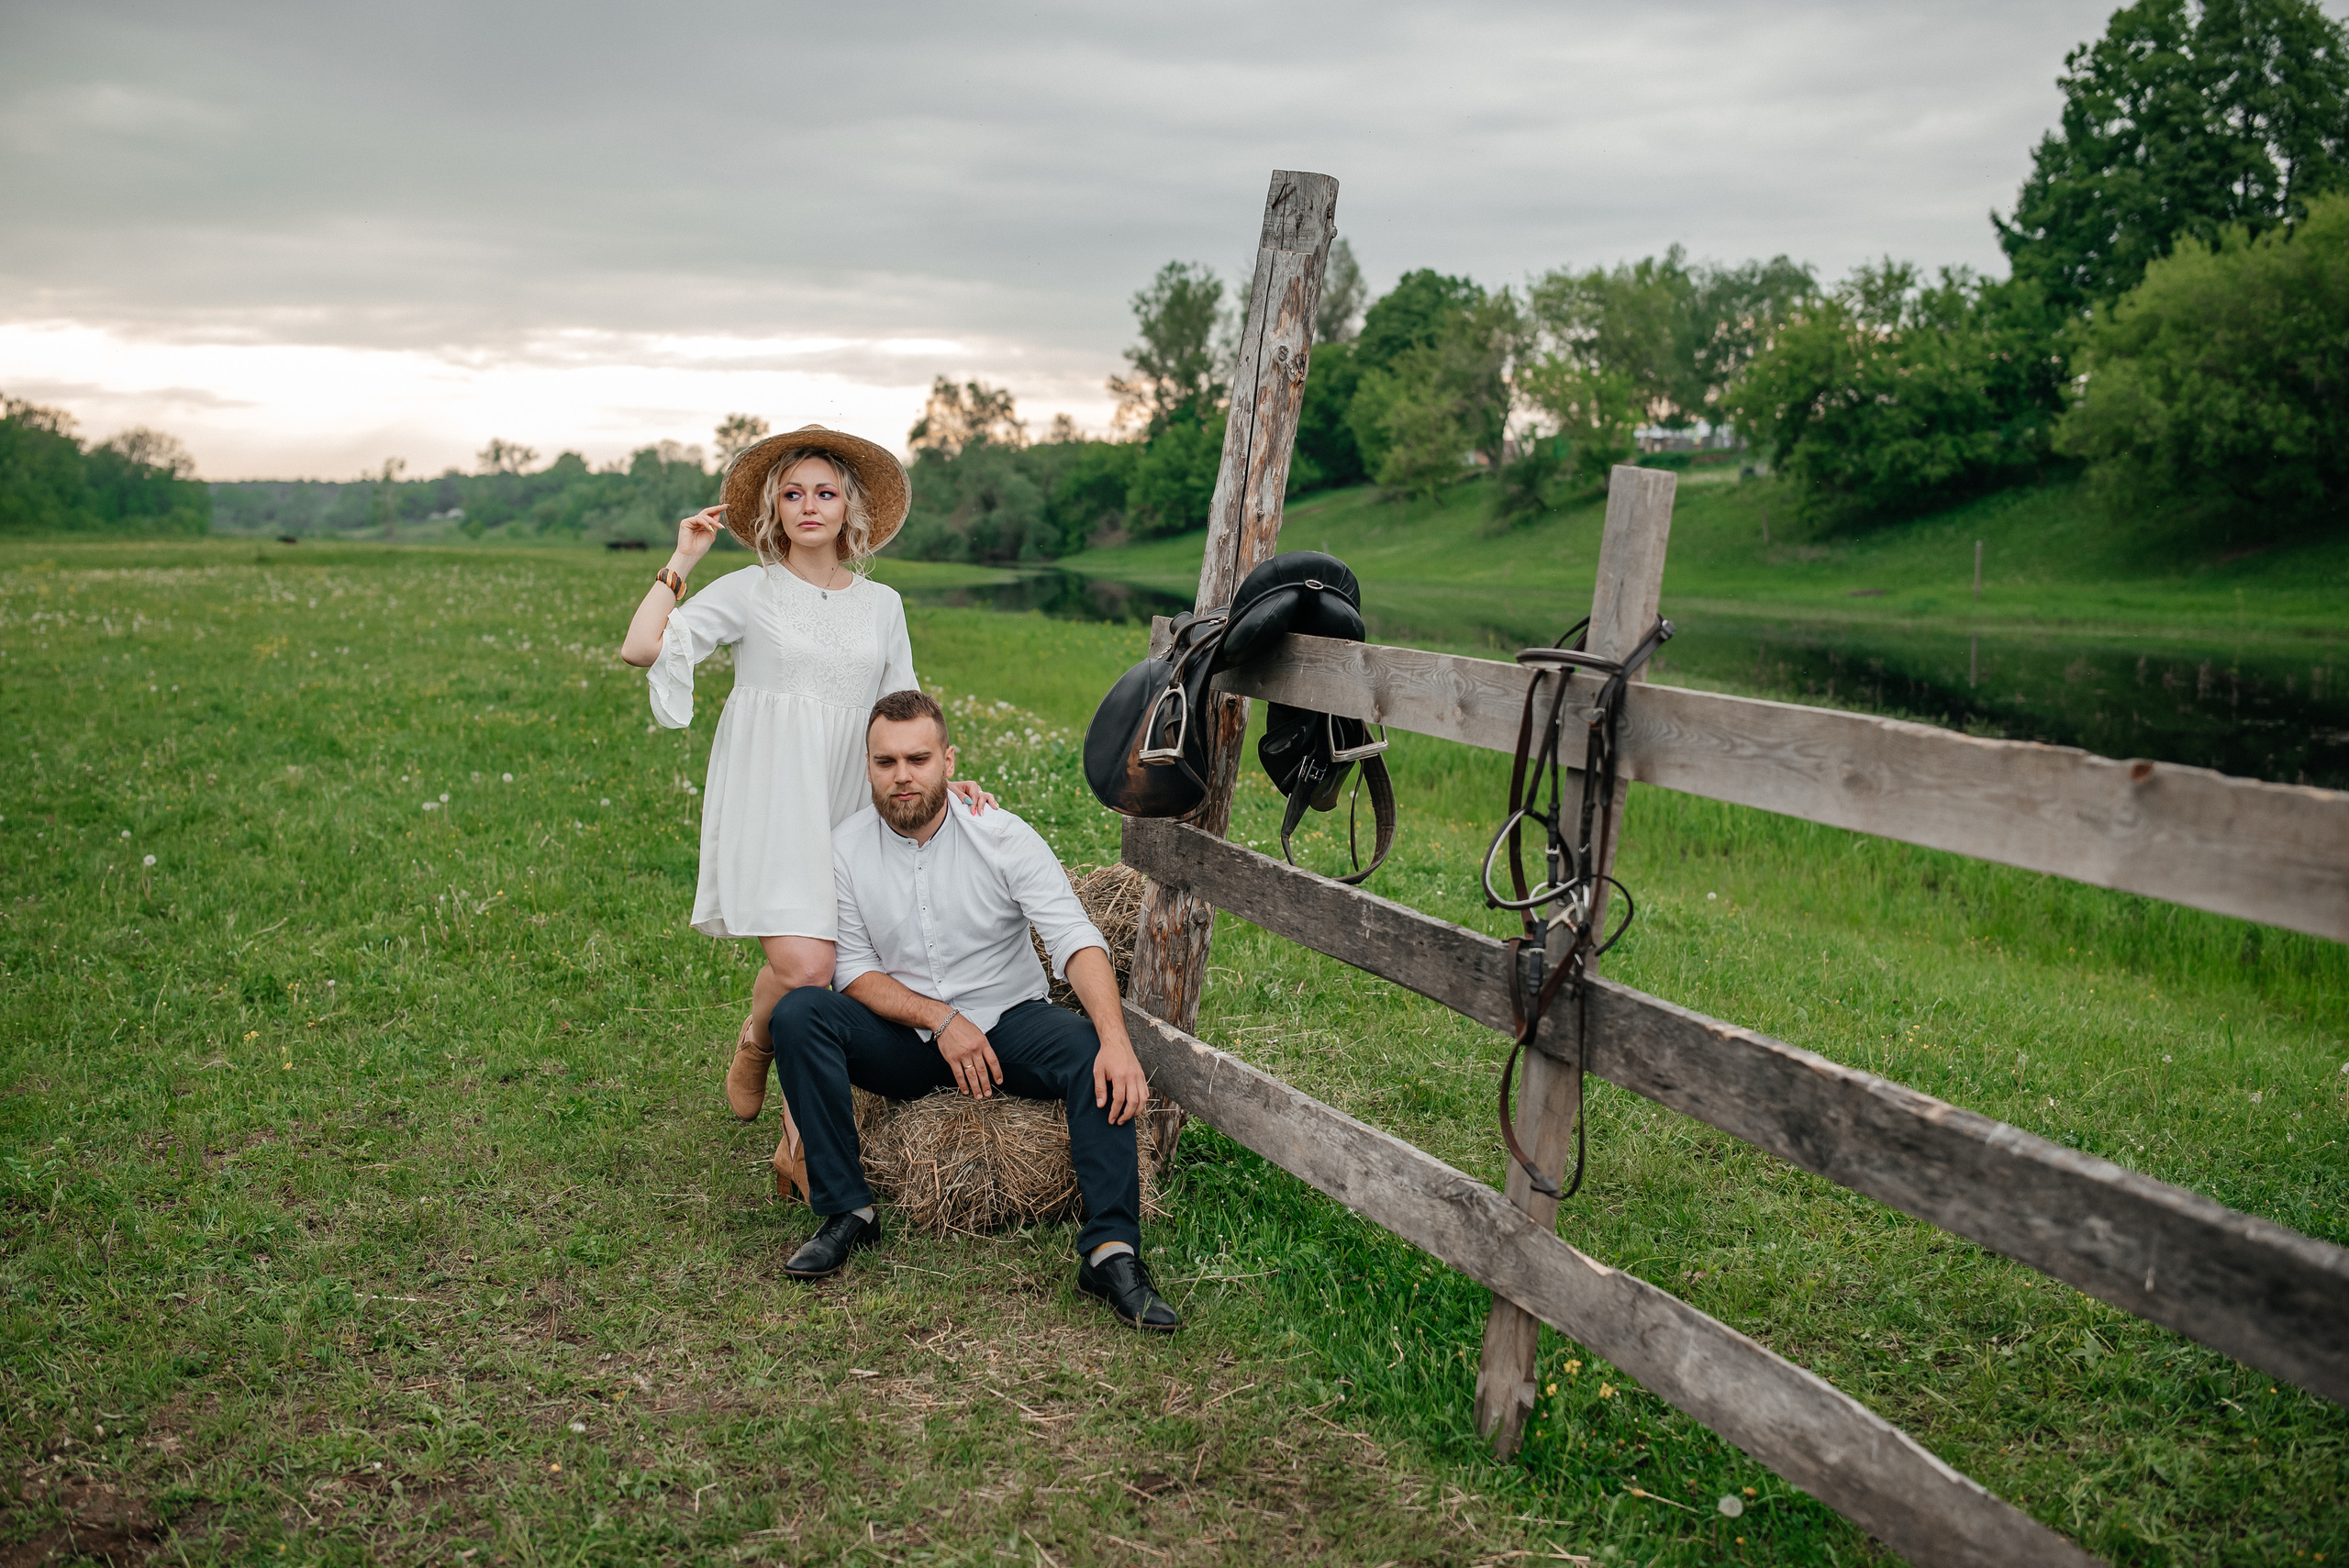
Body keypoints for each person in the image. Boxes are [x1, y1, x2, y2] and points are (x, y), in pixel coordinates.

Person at [618, 426, 993, 1192]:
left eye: (825, 492)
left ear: (849, 506)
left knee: (835, 968)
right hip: (774, 796)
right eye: (793, 494)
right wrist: (682, 559)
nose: (809, 505)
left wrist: (941, 777)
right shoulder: (751, 590)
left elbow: (903, 703)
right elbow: (640, 647)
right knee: (806, 963)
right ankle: (777, 1079)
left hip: (852, 795)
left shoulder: (883, 604)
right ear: (774, 510)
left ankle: (780, 1096)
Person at [769, 689, 1180, 1333]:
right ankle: (847, 1210)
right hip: (904, 1038)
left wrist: (1116, 1037)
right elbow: (851, 971)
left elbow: (1075, 937)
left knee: (1087, 1049)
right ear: (869, 767)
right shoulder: (845, 848)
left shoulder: (1001, 834)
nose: (902, 775)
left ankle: (1110, 1252)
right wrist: (938, 1017)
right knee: (798, 1014)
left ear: (947, 758)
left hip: (1010, 1022)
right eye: (885, 762)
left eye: (918, 758)